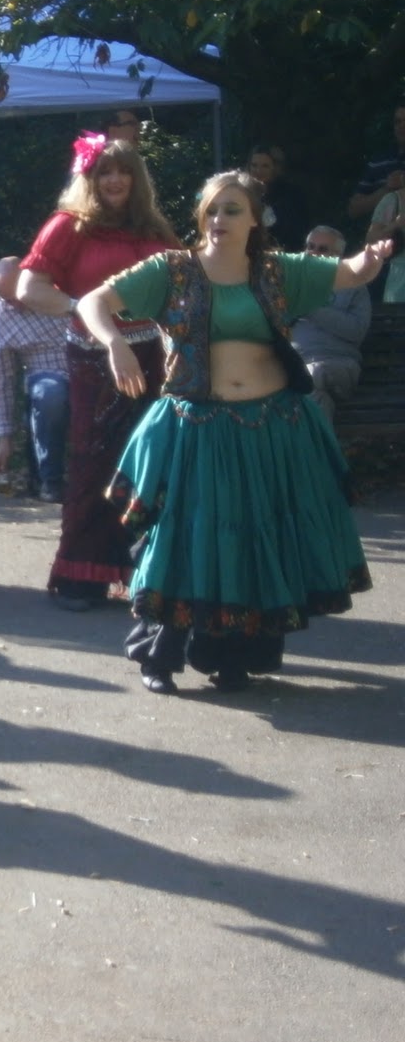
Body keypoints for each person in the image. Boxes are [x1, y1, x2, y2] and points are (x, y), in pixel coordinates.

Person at [80, 170, 388, 693]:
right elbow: (95, 301)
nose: (219, 218)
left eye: (233, 209)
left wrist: (372, 256)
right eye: (212, 210)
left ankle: (233, 658)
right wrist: (115, 342)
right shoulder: (173, 270)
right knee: (188, 538)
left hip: (269, 427)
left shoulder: (277, 271)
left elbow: (350, 273)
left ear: (255, 221)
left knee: (253, 540)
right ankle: (160, 658)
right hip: (198, 428)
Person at [15, 134, 179, 611]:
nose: (115, 179)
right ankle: (80, 574)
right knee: (96, 461)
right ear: (89, 178)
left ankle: (148, 575)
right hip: (94, 357)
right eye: (105, 171)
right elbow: (29, 288)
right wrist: (85, 310)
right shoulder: (68, 225)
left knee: (155, 460)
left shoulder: (154, 228)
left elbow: (181, 287)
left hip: (156, 357)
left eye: (124, 171)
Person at [0, 257, 70, 500]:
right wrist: (5, 437)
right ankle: (50, 481)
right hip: (46, 374)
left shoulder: (58, 289)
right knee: (50, 394)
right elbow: (0, 378)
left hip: (87, 360)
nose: (14, 304)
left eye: (17, 296)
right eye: (6, 299)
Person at [292, 225, 372, 424]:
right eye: (310, 246)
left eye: (322, 249)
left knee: (312, 374)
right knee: (316, 399)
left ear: (337, 256)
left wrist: (311, 308)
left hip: (338, 364)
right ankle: (319, 445)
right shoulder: (292, 284)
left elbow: (357, 331)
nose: (313, 253)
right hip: (297, 362)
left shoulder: (354, 286)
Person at [346, 101, 405, 221]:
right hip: (381, 232)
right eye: (398, 121)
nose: (402, 126)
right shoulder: (379, 162)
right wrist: (387, 189)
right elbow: (353, 210)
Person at [247, 144, 310, 252]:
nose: (258, 171)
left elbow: (295, 231)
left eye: (265, 166)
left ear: (275, 168)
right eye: (254, 165)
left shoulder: (291, 195)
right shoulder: (244, 193)